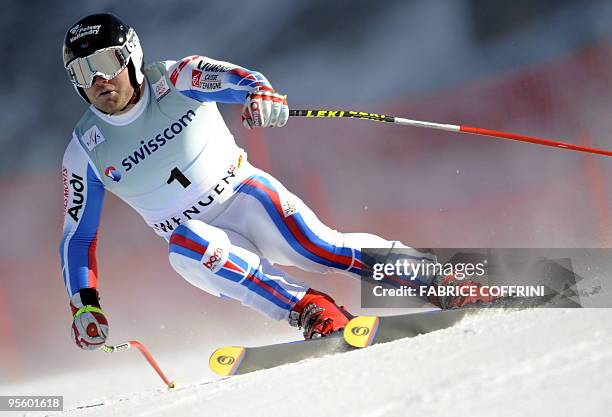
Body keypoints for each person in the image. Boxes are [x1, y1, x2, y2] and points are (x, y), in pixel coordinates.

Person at [60, 13, 493, 350]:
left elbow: (241, 79)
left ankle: (437, 279)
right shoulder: (85, 149)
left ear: (131, 57)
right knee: (185, 242)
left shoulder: (174, 78)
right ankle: (311, 310)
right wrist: (85, 307)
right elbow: (77, 239)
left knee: (318, 247)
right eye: (82, 71)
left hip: (244, 195)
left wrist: (260, 95)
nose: (98, 79)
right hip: (203, 246)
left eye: (105, 62)